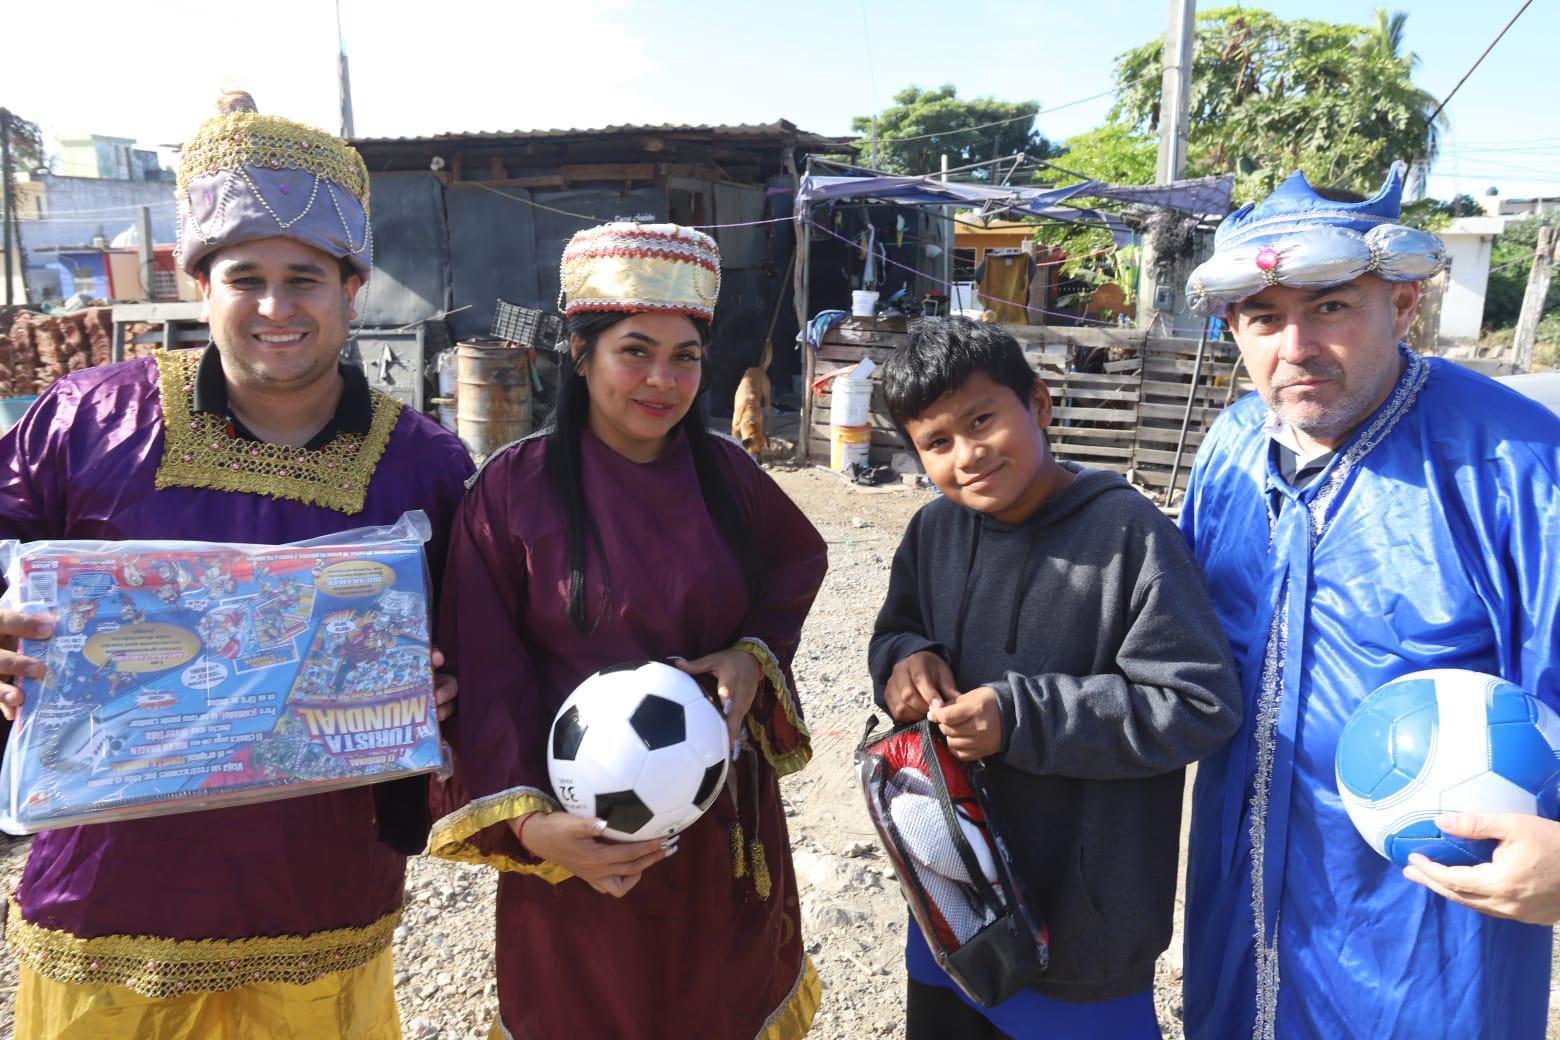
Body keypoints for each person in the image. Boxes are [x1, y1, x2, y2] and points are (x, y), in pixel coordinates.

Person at [0, 92, 473, 1039]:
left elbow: (482, 636)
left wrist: (446, 686)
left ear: (353, 285)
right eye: (243, 276)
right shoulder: (85, 421)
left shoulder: (426, 464)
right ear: (198, 285)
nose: (274, 307)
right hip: (108, 899)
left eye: (304, 277)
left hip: (322, 899)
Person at [1178, 161, 1560, 1040]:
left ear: (1405, 303)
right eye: (1265, 319)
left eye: (1332, 308)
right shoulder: (1231, 448)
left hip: (1431, 934)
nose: (1296, 347)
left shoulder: (1519, 469)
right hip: (1242, 902)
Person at [427, 222, 829, 1039]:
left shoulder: (730, 475)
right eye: (634, 351)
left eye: (685, 357)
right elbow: (486, 671)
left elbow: (796, 564)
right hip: (577, 836)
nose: (662, 379)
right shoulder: (513, 492)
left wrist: (752, 656)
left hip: (724, 828)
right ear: (579, 353)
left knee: (717, 998)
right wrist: (534, 830)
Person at [870, 317, 1242, 1039]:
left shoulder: (1130, 536)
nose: (968, 455)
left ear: (1038, 405)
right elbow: (894, 631)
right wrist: (902, 662)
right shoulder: (934, 532)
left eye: (983, 421)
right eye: (937, 443)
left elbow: (1198, 702)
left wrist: (1020, 718)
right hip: (955, 898)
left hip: (1084, 927)